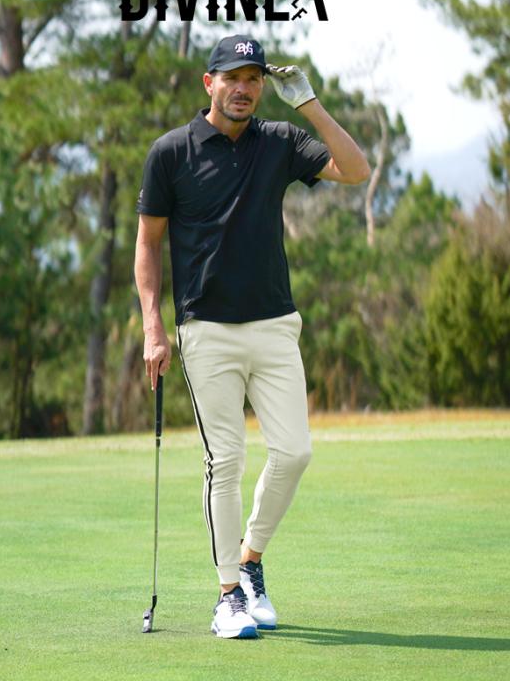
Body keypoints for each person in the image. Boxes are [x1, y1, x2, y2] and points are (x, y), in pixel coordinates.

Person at [134, 35, 370, 639]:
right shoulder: (171, 152)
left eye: (254, 79)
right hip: (206, 330)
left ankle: (250, 559)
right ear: (208, 83)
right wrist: (153, 326)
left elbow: (355, 170)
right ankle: (228, 597)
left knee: (294, 453)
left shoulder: (279, 141)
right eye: (232, 77)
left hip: (273, 325)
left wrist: (309, 104)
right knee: (227, 461)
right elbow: (148, 243)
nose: (243, 89)